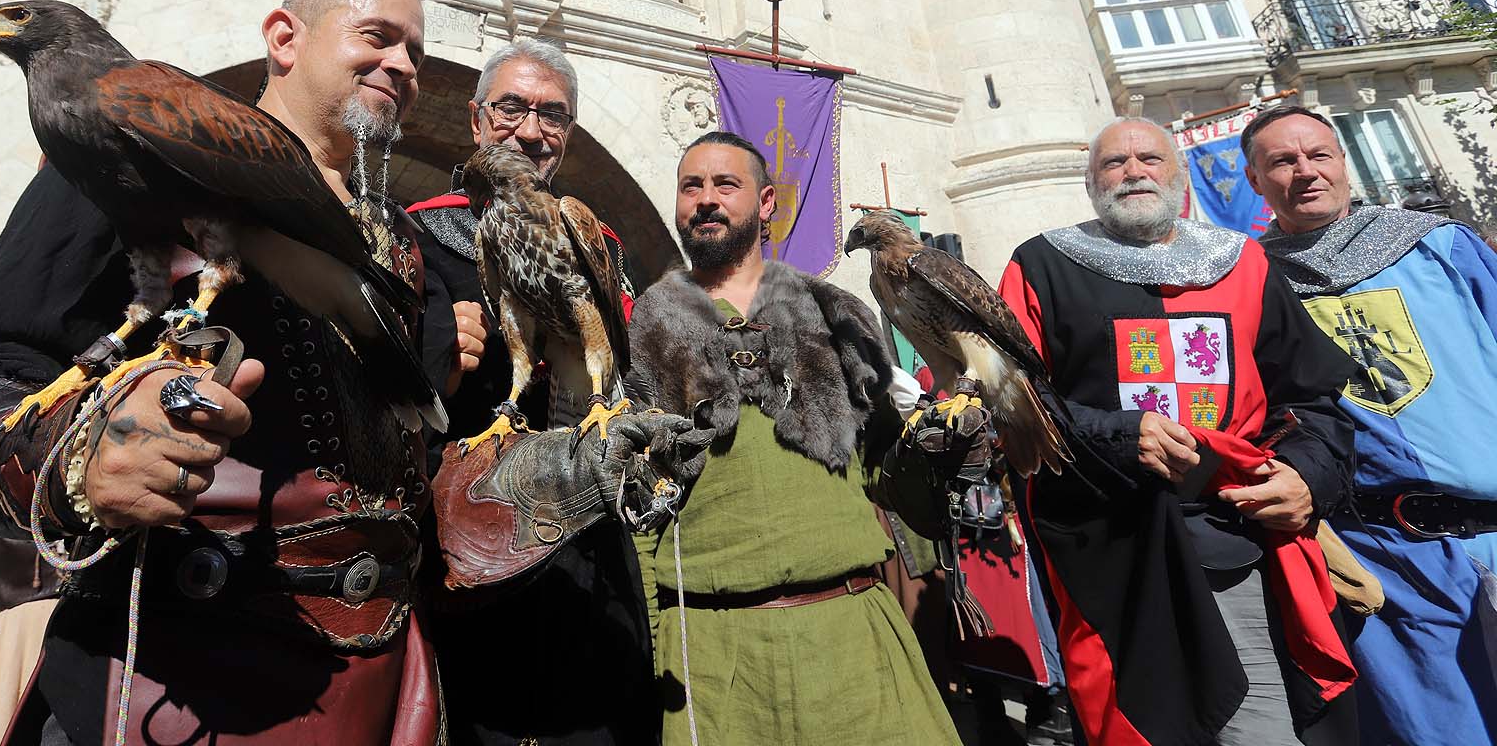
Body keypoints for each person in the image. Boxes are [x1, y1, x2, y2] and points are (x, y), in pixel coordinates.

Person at [0, 0, 691, 745]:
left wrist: (559, 472)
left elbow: (407, 489)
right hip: (172, 677)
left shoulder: (408, 255)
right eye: (376, 35)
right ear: (284, 36)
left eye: (415, 49)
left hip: (382, 690)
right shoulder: (126, 151)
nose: (404, 64)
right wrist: (77, 456)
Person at [998, 116, 1358, 746]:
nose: (1134, 171)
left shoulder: (1243, 264)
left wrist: (1307, 479)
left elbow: (1313, 400)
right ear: (1090, 184)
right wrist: (1117, 434)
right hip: (1112, 548)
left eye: (1150, 159)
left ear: (1181, 176)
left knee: (1260, 728)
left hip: (1233, 540)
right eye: (1114, 163)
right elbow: (1015, 403)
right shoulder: (1040, 267)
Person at [625, 131, 958, 745]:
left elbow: (887, 470)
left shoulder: (836, 311)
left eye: (726, 184)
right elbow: (638, 498)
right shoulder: (648, 322)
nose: (705, 200)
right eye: (690, 186)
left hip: (851, 632)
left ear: (767, 202)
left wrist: (941, 448)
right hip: (714, 650)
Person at [406, 39, 653, 746]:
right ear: (478, 122)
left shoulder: (595, 234)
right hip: (468, 542)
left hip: (585, 548)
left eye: (553, 114)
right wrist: (434, 350)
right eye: (512, 107)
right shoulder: (421, 230)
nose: (532, 127)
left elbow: (627, 365)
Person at [1246, 104, 1497, 742]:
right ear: (1255, 181)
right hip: (1383, 552)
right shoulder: (1250, 282)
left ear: (1343, 162)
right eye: (1282, 161)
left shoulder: (1437, 243)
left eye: (1319, 154)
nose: (1305, 172)